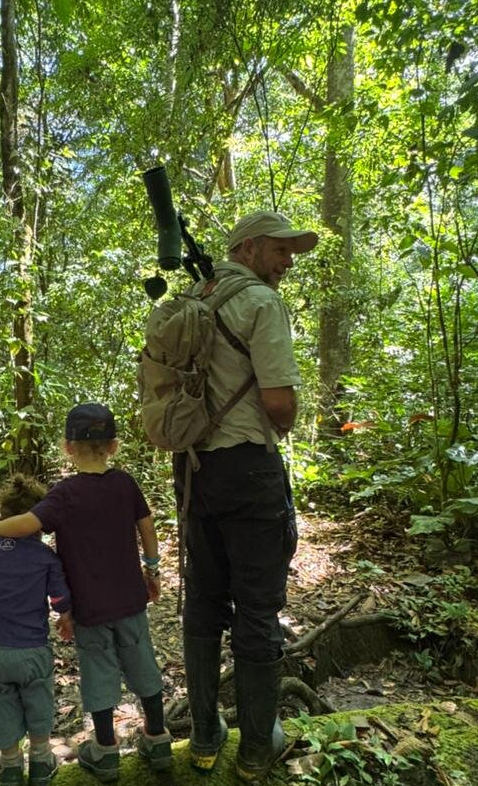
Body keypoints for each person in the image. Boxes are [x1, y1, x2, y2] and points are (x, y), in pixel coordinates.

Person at [174, 210, 317, 782]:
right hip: (249, 472)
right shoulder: (260, 302)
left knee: (205, 599)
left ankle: (205, 737)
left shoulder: (195, 295)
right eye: (282, 251)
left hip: (191, 471)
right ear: (251, 248)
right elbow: (279, 403)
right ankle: (257, 749)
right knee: (257, 608)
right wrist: (279, 427)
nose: (288, 262)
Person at [0, 403, 171, 783]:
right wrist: (152, 570)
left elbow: (28, 524)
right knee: (143, 665)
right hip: (131, 601)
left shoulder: (64, 495)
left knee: (99, 674)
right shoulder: (124, 483)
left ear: (67, 447)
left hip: (90, 608)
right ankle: (158, 740)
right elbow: (147, 525)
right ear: (114, 446)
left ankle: (105, 752)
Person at [0, 474, 73, 786]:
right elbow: (59, 598)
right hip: (32, 650)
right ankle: (41, 761)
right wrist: (66, 616)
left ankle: (10, 767)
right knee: (38, 697)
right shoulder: (44, 557)